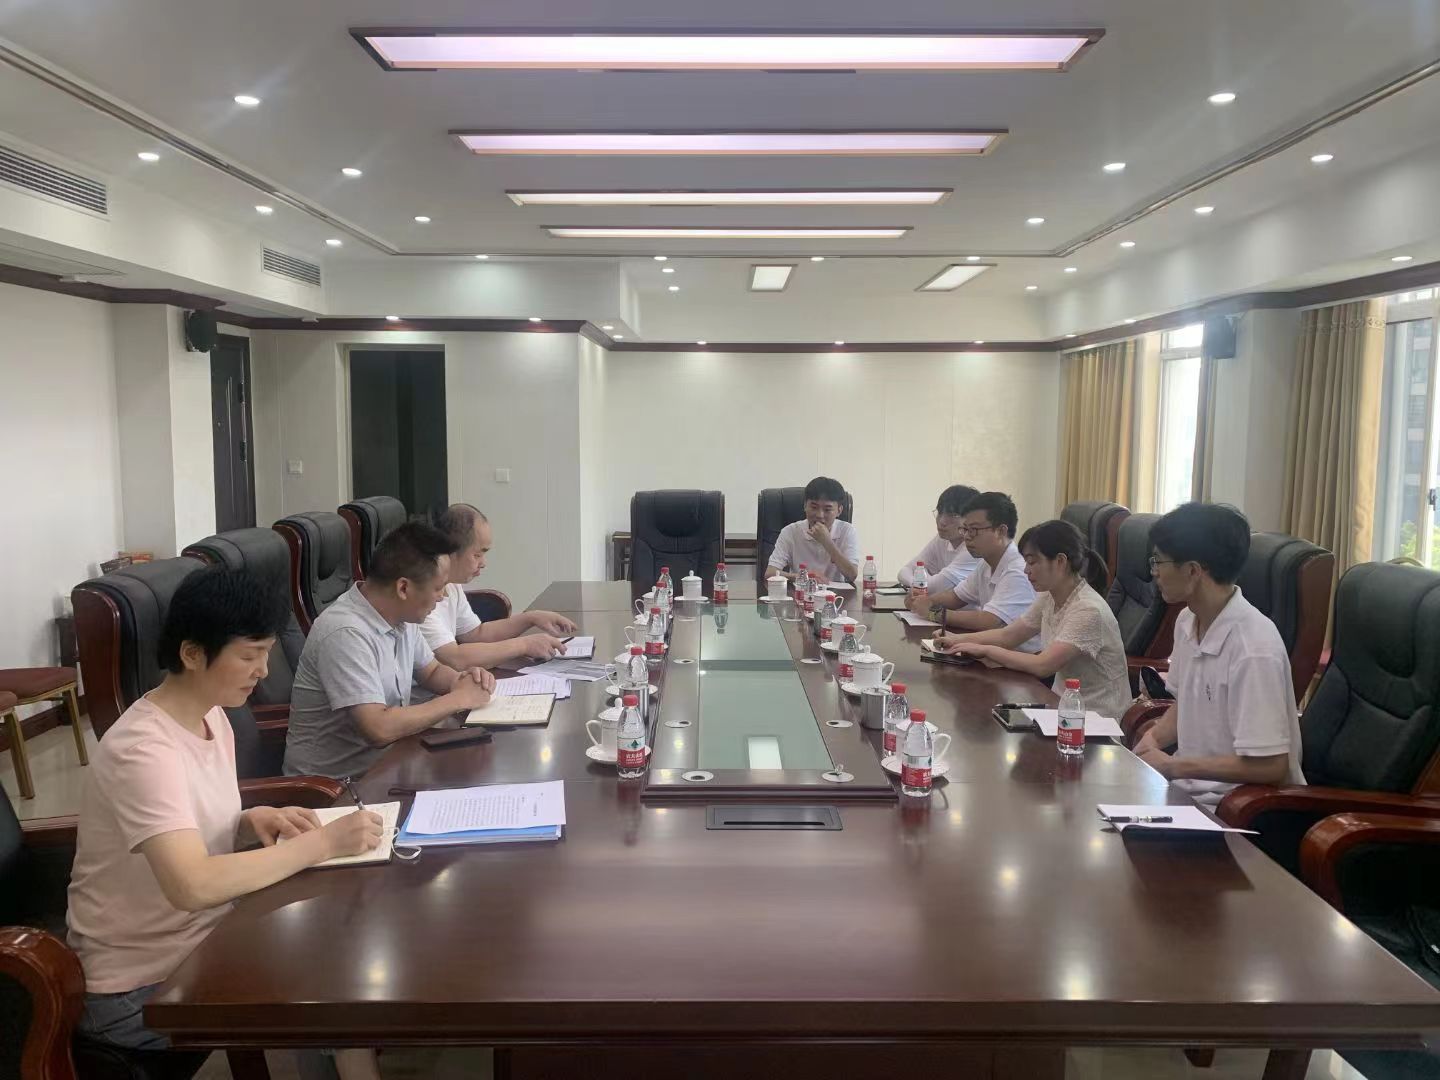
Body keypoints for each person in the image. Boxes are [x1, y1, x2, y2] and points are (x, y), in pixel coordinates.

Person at [66, 567, 383, 1079]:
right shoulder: (142, 749)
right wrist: (322, 843)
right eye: (249, 655)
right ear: (193, 654)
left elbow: (185, 826)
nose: (263, 671)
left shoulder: (211, 714)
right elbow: (191, 884)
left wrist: (247, 821)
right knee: (332, 983)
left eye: (267, 653)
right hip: (135, 986)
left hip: (203, 936)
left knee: (336, 943)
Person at [284, 520, 496, 779]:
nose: (443, 596)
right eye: (438, 588)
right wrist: (458, 699)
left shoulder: (401, 615)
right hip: (338, 787)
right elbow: (378, 728)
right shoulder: (346, 632)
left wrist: (463, 681)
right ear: (403, 588)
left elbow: (430, 672)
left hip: (391, 766)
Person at [1130, 502, 1304, 805]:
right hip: (1185, 794)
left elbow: (1272, 765)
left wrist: (1174, 766)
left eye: (1158, 561)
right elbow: (1187, 704)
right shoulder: (1187, 621)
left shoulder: (1253, 648)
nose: (1154, 572)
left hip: (1234, 808)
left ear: (1193, 571)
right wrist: (1153, 739)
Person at [937, 519, 1130, 721]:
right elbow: (1008, 636)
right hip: (1061, 708)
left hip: (1097, 720)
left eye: (1032, 562)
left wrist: (985, 650)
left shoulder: (1089, 610)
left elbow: (1042, 665)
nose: (1026, 570)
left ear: (1060, 561)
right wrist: (957, 640)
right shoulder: (1049, 596)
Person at [420, 504, 578, 673]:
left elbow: (475, 634)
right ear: (450, 551)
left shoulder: (452, 586)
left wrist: (531, 618)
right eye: (477, 555)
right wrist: (524, 645)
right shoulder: (421, 598)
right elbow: (455, 659)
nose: (483, 563)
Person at [911, 491, 1038, 649]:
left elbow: (989, 621)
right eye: (965, 529)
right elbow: (956, 596)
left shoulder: (1018, 570)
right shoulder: (986, 563)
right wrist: (927, 601)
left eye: (974, 530)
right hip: (992, 652)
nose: (967, 537)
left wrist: (933, 613)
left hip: (1021, 658)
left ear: (1001, 531)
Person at [765, 476, 861, 584]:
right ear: (805, 506)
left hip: (836, 593)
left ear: (839, 510)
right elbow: (770, 573)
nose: (820, 515)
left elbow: (852, 575)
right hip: (801, 591)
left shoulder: (847, 531)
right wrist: (803, 577)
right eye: (814, 507)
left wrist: (827, 542)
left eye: (827, 509)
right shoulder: (790, 531)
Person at [896, 484, 980, 594]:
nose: (942, 521)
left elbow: (936, 587)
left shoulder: (975, 547)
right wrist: (918, 584)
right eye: (940, 513)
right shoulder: (942, 539)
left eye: (952, 515)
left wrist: (921, 581)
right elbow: (904, 571)